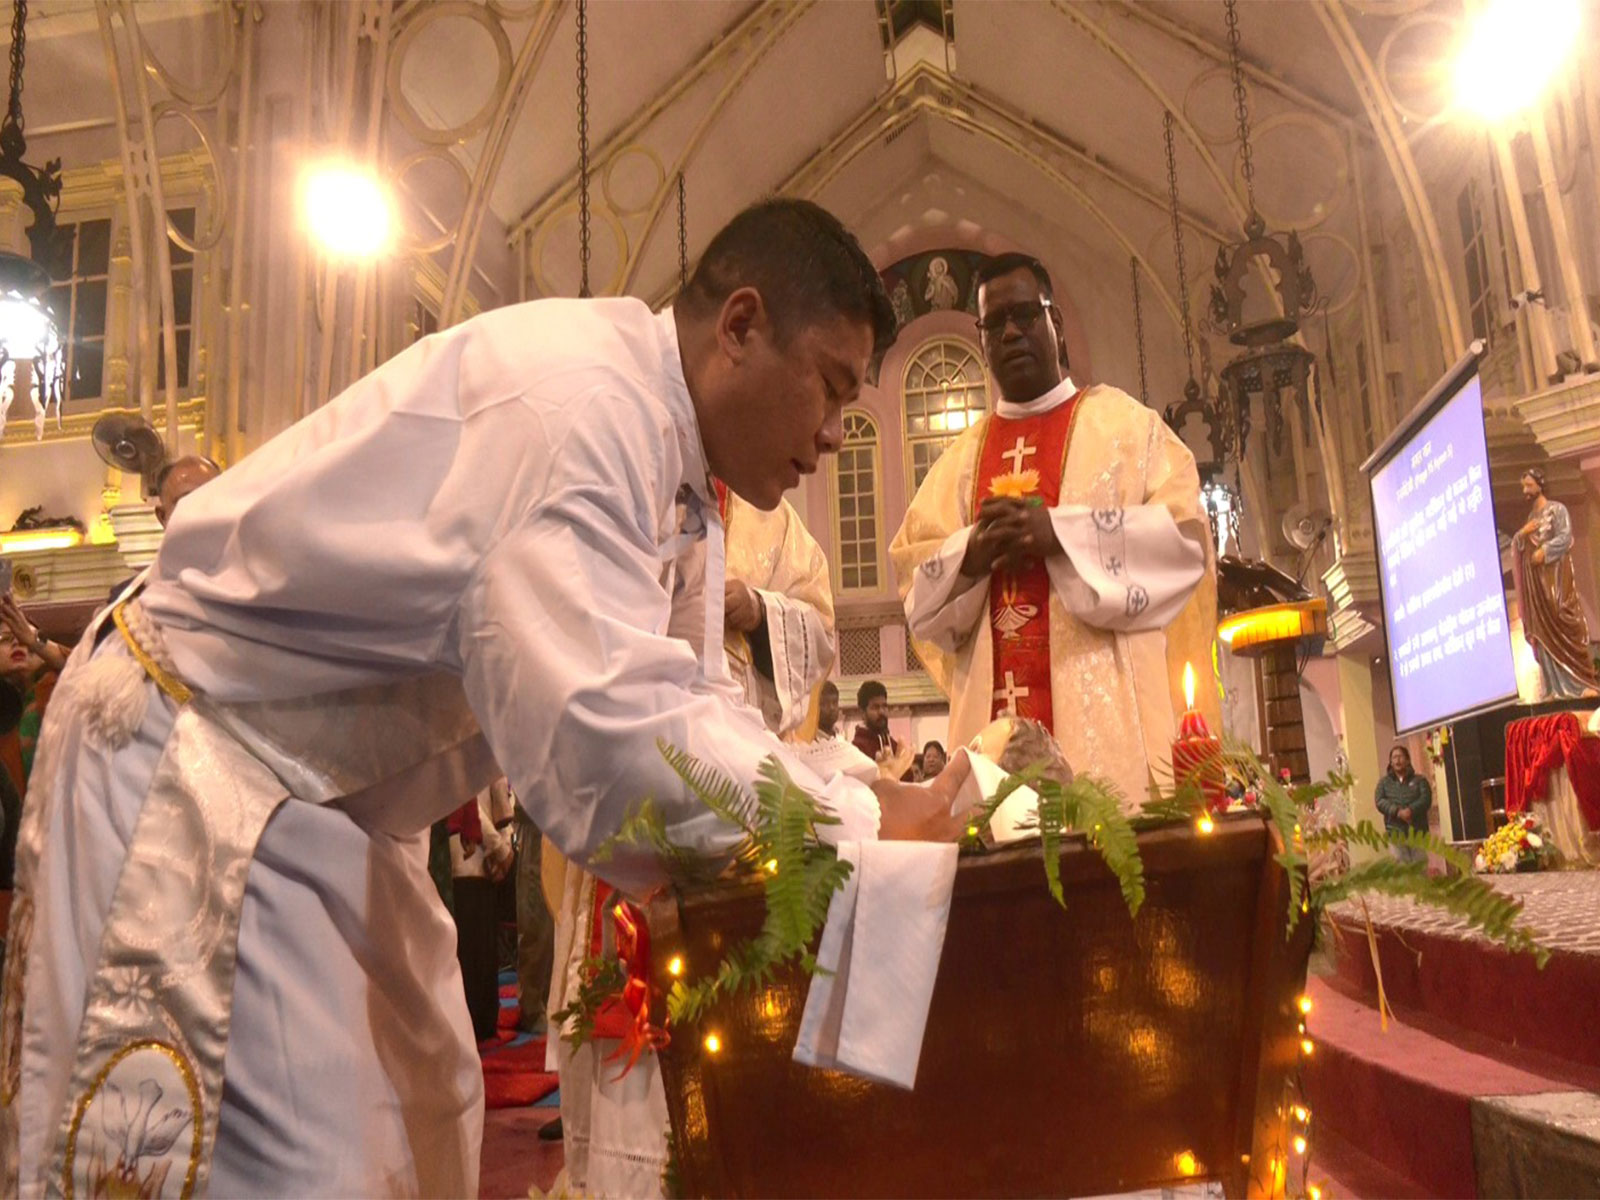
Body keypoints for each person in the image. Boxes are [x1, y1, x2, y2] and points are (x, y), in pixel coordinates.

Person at [2, 198, 976, 1197]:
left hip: (330, 803)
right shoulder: (585, 411)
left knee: (418, 1125)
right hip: (197, 759)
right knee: (293, 1167)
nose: (830, 433)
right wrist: (855, 816)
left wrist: (852, 785)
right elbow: (611, 744)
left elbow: (687, 701)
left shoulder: (673, 465)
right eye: (830, 386)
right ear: (739, 326)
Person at [890, 252, 1215, 805]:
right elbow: (916, 598)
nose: (1011, 332)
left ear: (1055, 323)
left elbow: (1185, 547)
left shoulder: (1129, 431)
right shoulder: (959, 464)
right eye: (995, 323)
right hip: (989, 743)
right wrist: (972, 552)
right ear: (982, 338)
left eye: (1024, 314)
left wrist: (1060, 536)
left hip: (1111, 737)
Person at [1512, 467, 1600, 699]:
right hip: (1539, 588)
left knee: (1567, 619)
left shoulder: (1557, 509)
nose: (1525, 490)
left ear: (1540, 484)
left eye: (1529, 485)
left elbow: (1565, 536)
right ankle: (1555, 688)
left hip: (1557, 579)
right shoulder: (1531, 519)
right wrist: (1522, 535)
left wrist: (1545, 550)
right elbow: (1522, 547)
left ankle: (1580, 683)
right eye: (1524, 486)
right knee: (1544, 630)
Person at [105, 455, 222, 610]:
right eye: (187, 501)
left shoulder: (255, 590)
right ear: (163, 517)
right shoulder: (127, 604)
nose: (203, 510)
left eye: (212, 498)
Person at [1375, 745, 1431, 863]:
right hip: (1395, 834)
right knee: (1401, 874)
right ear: (1390, 762)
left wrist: (1411, 810)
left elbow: (1426, 799)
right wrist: (1398, 812)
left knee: (1419, 871)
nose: (1397, 760)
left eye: (1400, 757)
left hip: (1418, 833)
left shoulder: (1420, 780)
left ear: (1407, 760)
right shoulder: (1384, 783)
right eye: (1394, 757)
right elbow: (1379, 801)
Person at [851, 679, 913, 779]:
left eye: (884, 706)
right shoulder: (857, 749)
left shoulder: (893, 745)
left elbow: (908, 779)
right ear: (862, 712)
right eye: (875, 707)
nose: (881, 712)